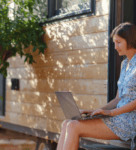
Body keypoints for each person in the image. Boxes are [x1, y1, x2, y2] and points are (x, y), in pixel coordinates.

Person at [56, 22, 136, 150]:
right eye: (114, 42)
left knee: (73, 126)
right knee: (67, 123)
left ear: (130, 40)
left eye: (119, 42)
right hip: (117, 117)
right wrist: (98, 111)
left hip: (129, 121)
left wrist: (111, 112)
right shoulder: (124, 64)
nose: (115, 47)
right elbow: (118, 98)